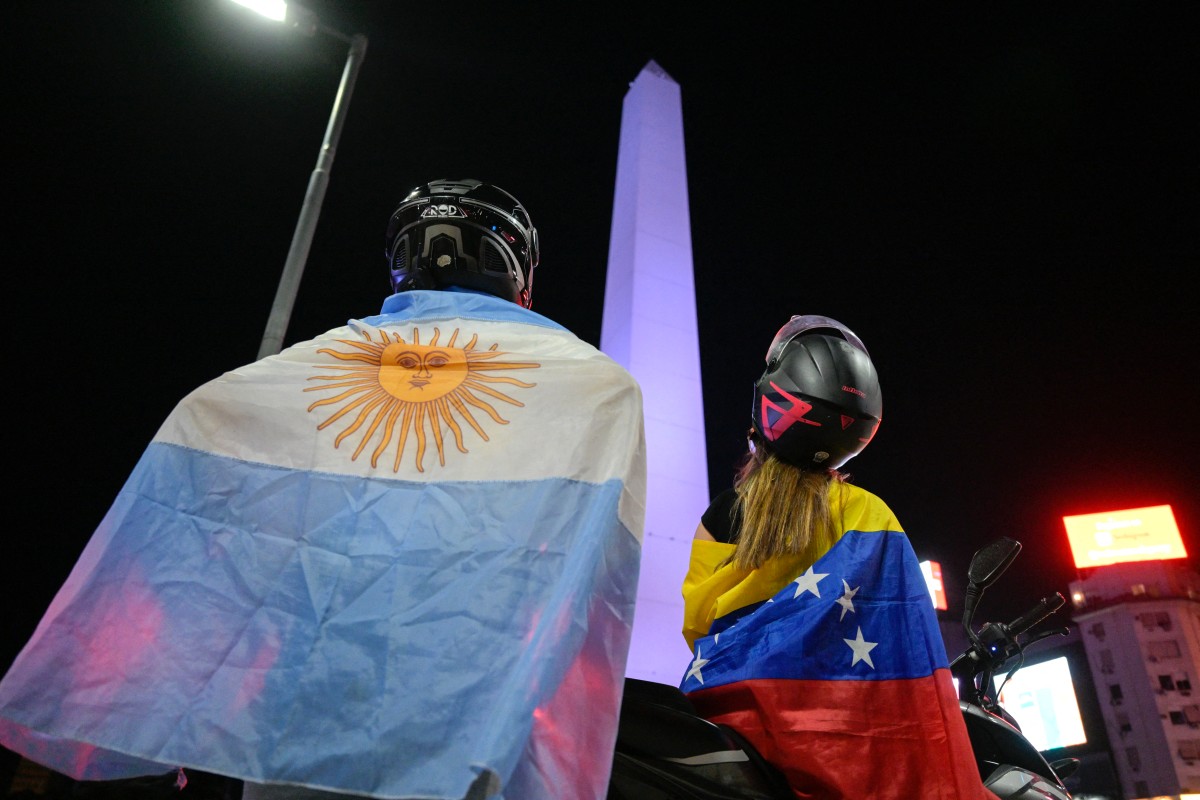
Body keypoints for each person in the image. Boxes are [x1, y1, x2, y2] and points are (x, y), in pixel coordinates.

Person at [0, 179, 647, 800]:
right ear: (520, 278)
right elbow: (596, 589)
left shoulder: (281, 382)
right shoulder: (592, 387)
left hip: (294, 719)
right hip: (465, 727)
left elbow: (199, 539)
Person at [678, 315, 995, 799]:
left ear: (770, 406)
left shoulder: (722, 516)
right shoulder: (872, 517)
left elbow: (699, 626)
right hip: (864, 751)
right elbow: (908, 636)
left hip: (738, 741)